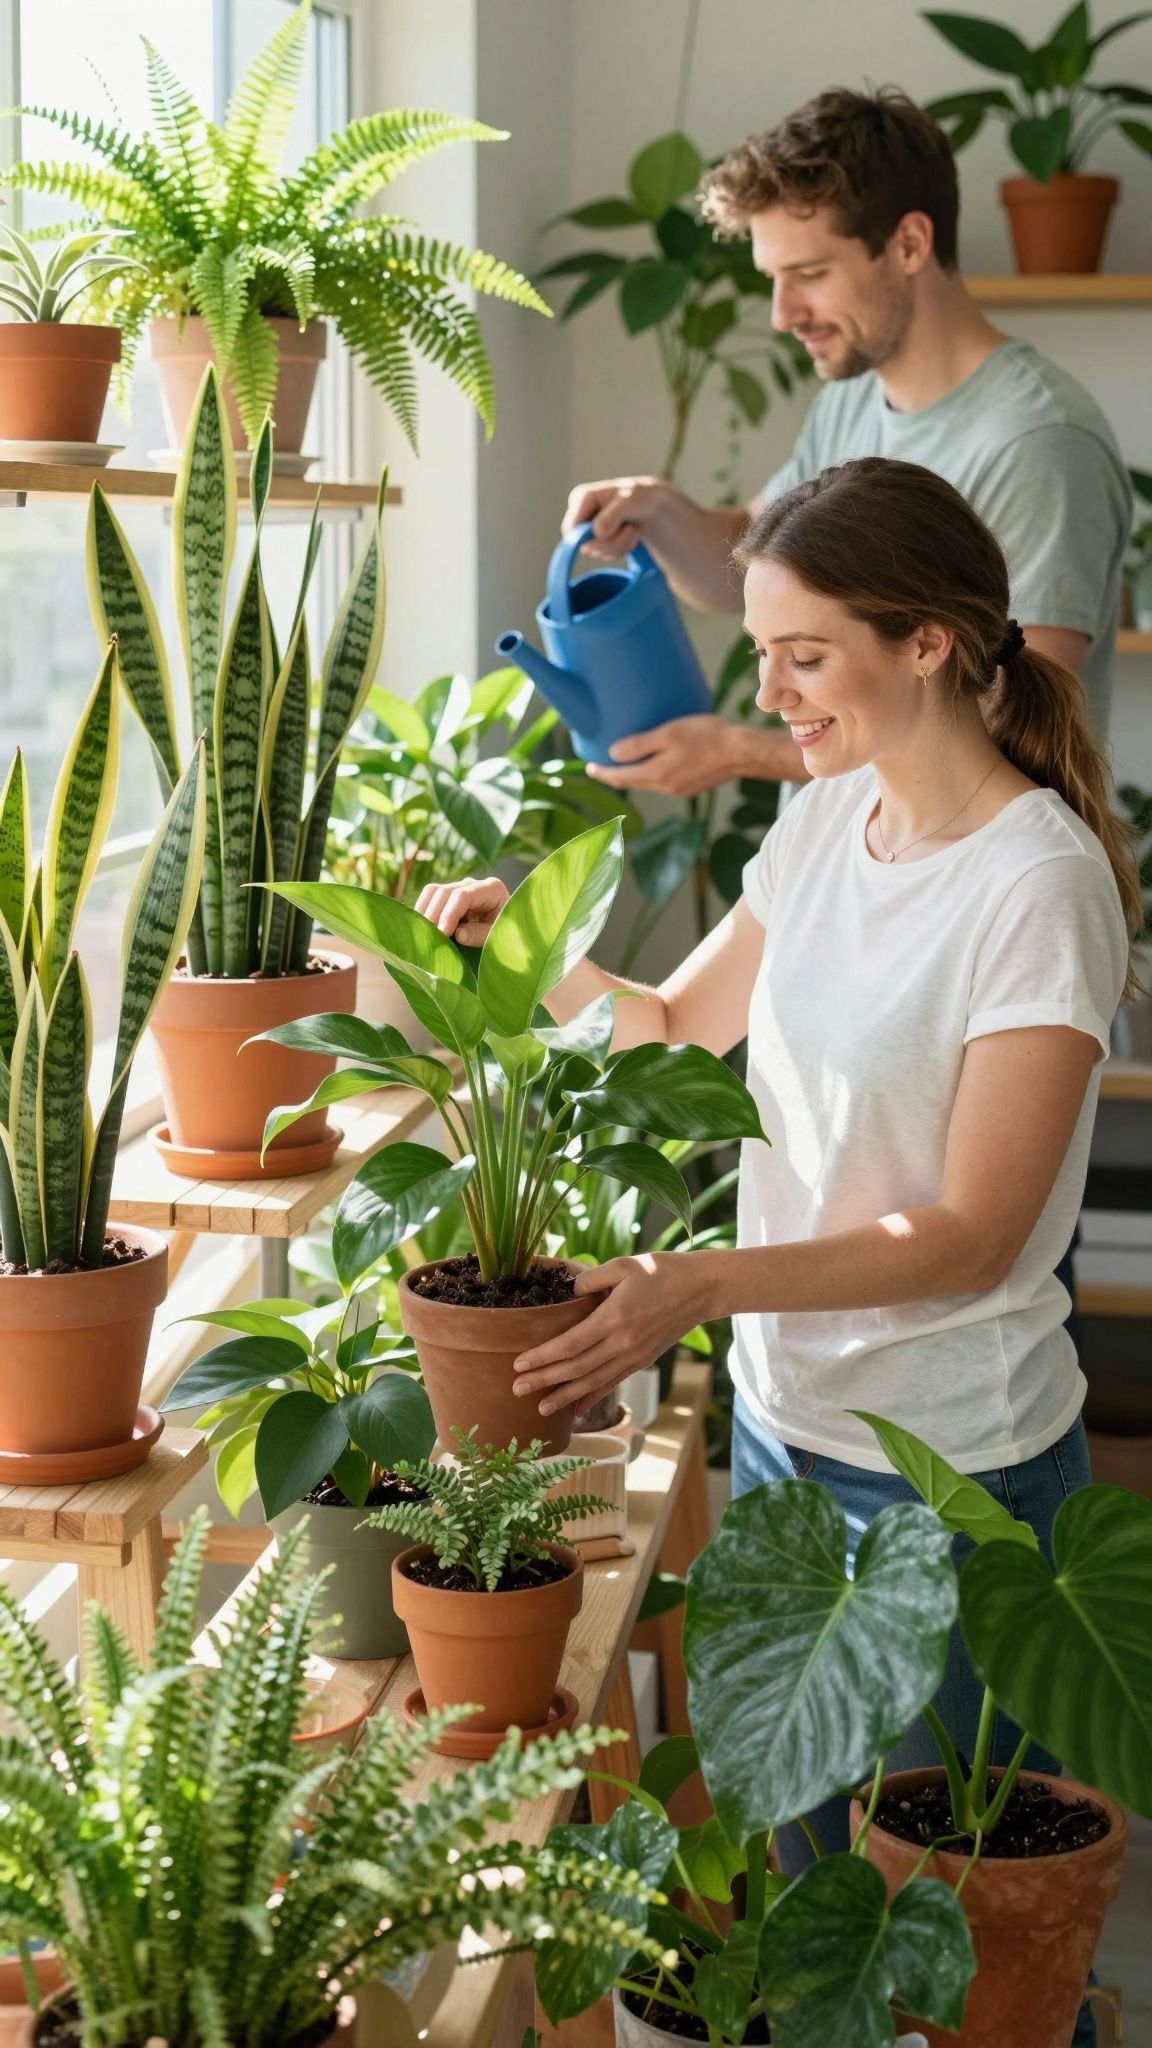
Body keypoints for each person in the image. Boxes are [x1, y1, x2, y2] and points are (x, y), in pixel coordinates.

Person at [417, 459, 1139, 2048]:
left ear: (930, 643)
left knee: (960, 1946)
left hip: (952, 1464)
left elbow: (969, 1237)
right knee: (819, 1900)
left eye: (804, 654)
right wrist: (530, 952)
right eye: (763, 650)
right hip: (787, 1422)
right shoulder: (822, 825)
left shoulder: (1039, 885)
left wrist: (698, 1284)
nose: (770, 691)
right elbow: (681, 1023)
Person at [564, 88, 1130, 801]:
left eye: (809, 274)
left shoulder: (1039, 441)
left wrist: (740, 749)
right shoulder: (852, 399)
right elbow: (751, 568)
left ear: (910, 244)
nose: (781, 314)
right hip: (867, 875)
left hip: (973, 890)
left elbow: (1015, 718)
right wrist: (661, 513)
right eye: (775, 279)